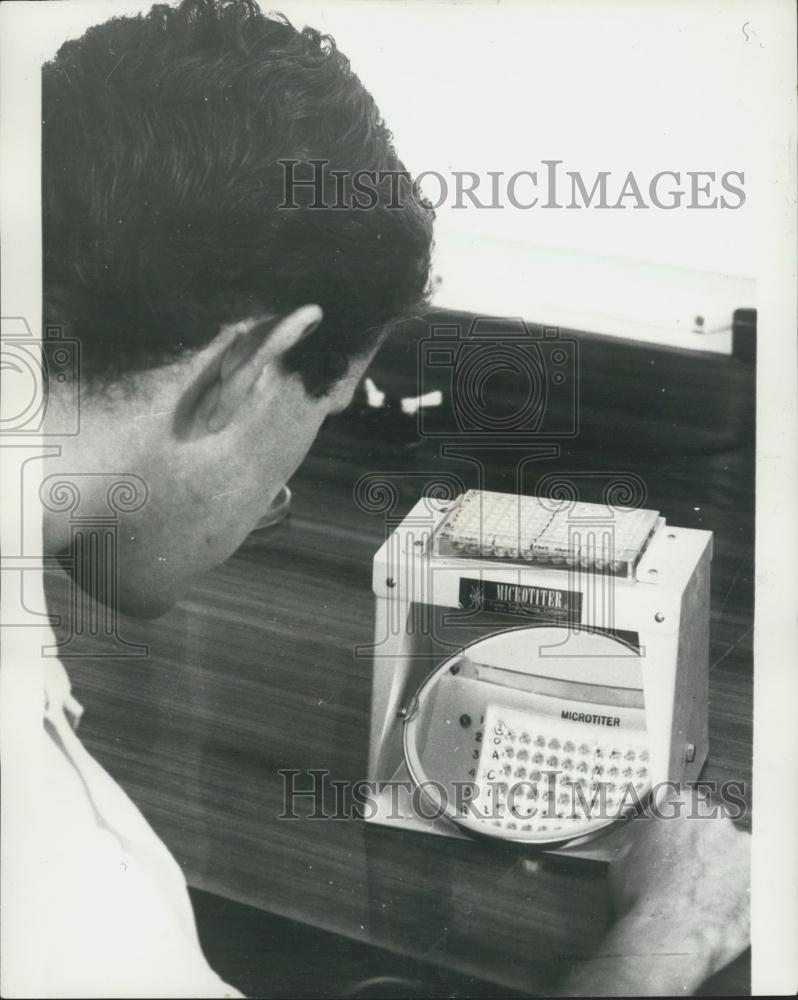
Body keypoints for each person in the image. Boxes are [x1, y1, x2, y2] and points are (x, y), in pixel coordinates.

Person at [8, 0, 751, 994]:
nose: (280, 490)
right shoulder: (65, 903)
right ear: (245, 364)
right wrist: (668, 933)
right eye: (324, 406)